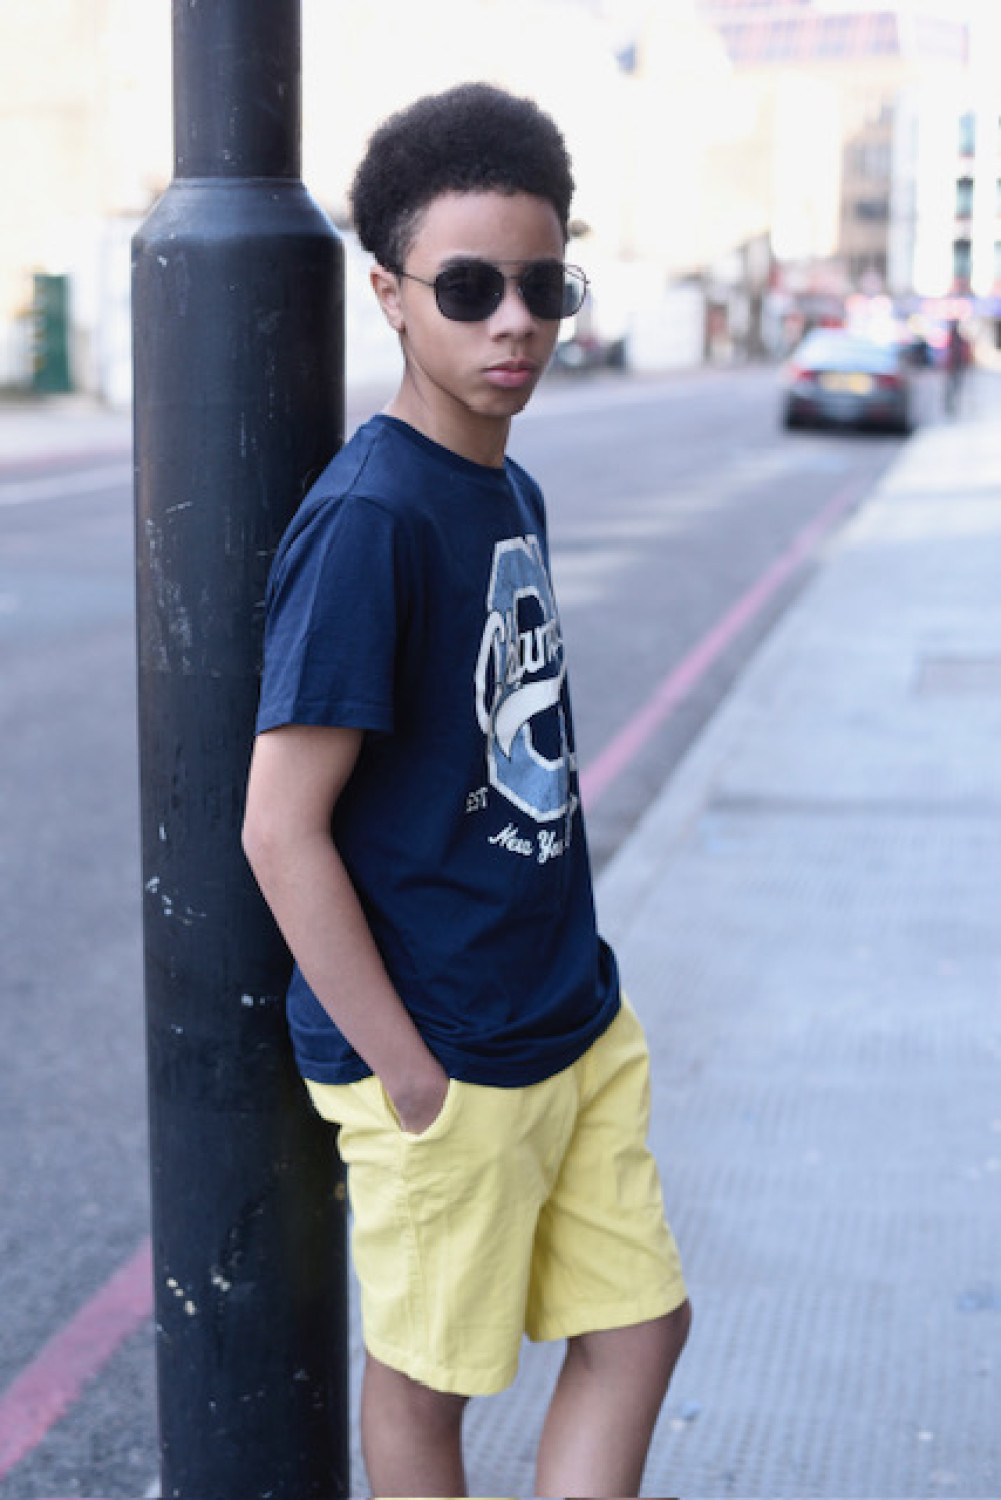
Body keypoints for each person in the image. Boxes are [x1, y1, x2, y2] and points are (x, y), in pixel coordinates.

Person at [242, 81, 690, 1499]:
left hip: (568, 1016)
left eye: (541, 285)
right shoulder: (369, 520)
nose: (514, 323)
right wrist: (408, 1073)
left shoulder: (507, 488)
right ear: (389, 293)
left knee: (639, 1326)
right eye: (469, 287)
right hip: (446, 1051)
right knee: (428, 1386)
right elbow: (279, 826)